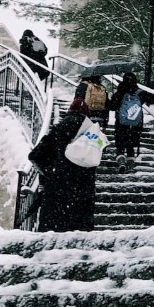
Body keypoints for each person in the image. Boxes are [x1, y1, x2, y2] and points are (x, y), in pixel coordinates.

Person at [26, 75, 106, 232]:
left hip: (58, 192)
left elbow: (35, 155)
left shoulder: (59, 129)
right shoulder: (93, 134)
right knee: (78, 243)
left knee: (51, 241)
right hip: (82, 196)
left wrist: (51, 171)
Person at [109, 72, 145, 172]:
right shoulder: (139, 92)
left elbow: (111, 106)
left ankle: (121, 161)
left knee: (120, 144)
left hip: (121, 123)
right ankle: (130, 163)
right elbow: (152, 99)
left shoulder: (120, 92)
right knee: (131, 145)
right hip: (135, 124)